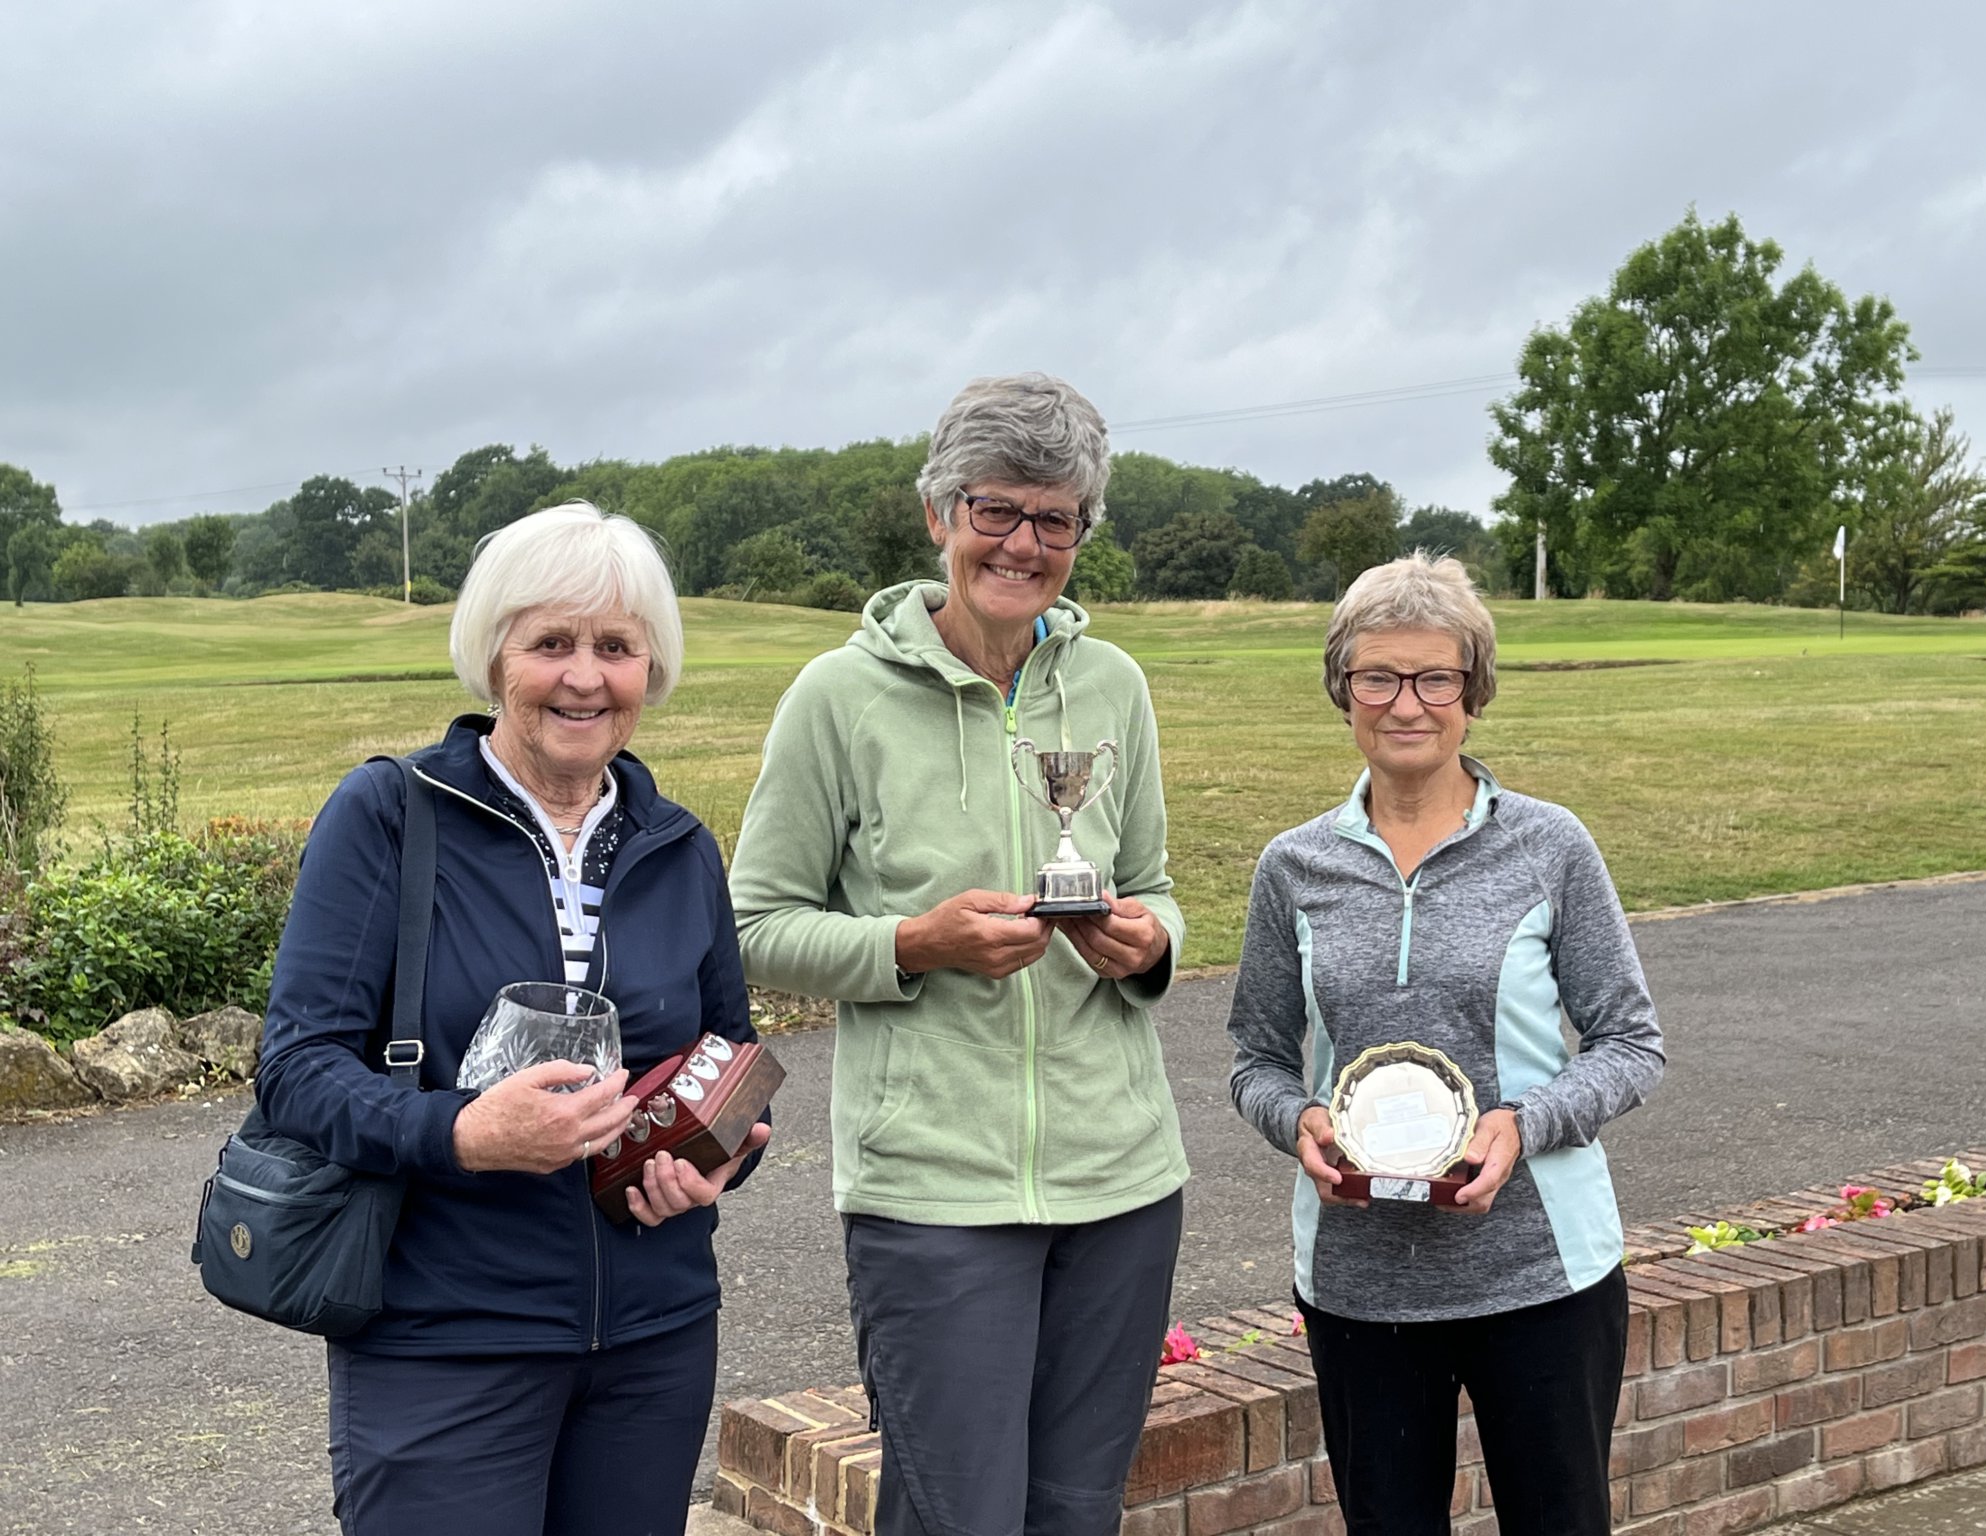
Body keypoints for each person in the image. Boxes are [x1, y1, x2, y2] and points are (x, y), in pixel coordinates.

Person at [255, 502, 770, 1536]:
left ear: (650, 670)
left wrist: (714, 1161)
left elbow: (725, 1054)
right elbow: (297, 1069)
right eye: (551, 643)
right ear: (495, 656)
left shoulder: (676, 846)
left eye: (616, 648)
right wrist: (461, 1132)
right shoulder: (390, 816)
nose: (585, 677)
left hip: (650, 1337)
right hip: (444, 1335)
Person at [729, 373, 1187, 1536]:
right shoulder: (837, 699)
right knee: (958, 1519)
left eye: (1055, 519)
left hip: (1119, 1178)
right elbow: (755, 925)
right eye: (996, 510)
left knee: (1077, 1513)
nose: (1023, 544)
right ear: (938, 513)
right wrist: (911, 944)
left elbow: (1157, 886)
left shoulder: (1113, 686)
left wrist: (1145, 943)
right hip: (932, 1190)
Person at [1226, 552, 1664, 1536]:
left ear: (1474, 691)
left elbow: (1629, 1042)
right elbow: (1254, 1056)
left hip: (1541, 1271)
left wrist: (1525, 1122)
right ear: (1342, 689)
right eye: (1376, 676)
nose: (1405, 704)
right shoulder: (1293, 867)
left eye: (1436, 677)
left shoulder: (1549, 847)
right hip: (1357, 1280)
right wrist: (1292, 1117)